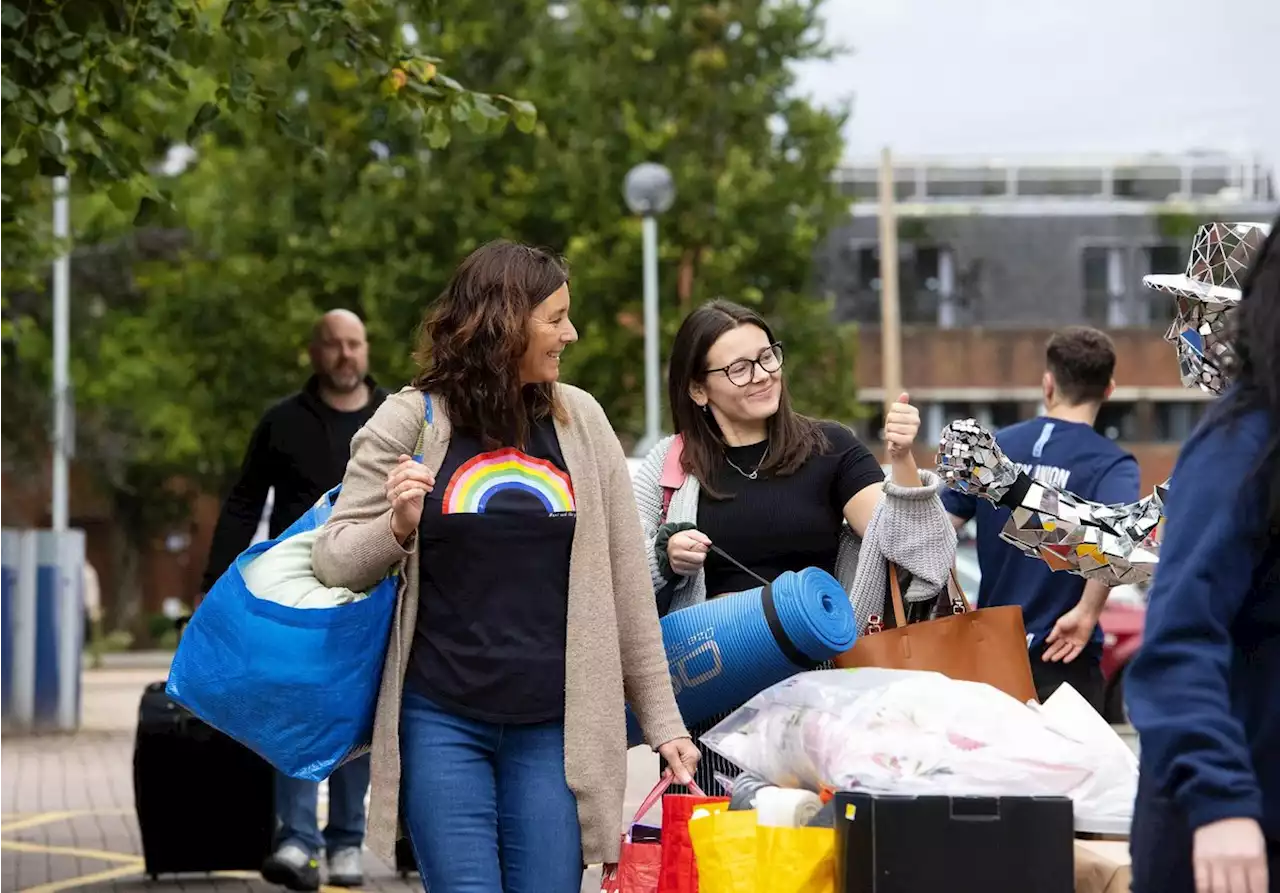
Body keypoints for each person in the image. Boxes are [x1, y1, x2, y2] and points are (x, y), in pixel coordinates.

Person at [309, 240, 698, 893]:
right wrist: (397, 524)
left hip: (554, 730)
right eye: (556, 317)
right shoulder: (413, 418)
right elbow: (334, 556)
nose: (569, 333)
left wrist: (665, 725)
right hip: (442, 720)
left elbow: (629, 589)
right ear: (504, 320)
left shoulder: (583, 422)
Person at [632, 298, 957, 795]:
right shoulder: (671, 465)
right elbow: (626, 579)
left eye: (767, 357)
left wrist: (902, 463)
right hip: (710, 689)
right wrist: (667, 558)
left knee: (810, 851)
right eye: (738, 368)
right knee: (714, 855)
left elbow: (910, 549)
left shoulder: (830, 447)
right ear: (699, 389)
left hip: (818, 693)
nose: (762, 375)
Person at [200, 309, 385, 891]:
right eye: (334, 345)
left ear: (367, 349)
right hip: (294, 593)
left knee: (355, 718)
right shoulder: (281, 421)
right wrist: (214, 582)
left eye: (354, 344)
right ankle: (297, 841)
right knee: (294, 711)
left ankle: (347, 843)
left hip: (372, 586)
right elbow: (243, 502)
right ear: (315, 352)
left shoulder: (394, 417)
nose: (345, 356)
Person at [1126, 215, 1280, 893]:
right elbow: (1175, 613)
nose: (1176, 332)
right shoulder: (1238, 444)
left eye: (1191, 309)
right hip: (1229, 826)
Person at [941, 327, 1141, 713]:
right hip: (1064, 654)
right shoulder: (1110, 463)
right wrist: (1086, 614)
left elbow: (937, 526)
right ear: (1109, 390)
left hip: (993, 654)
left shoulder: (996, 448)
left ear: (1048, 384)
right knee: (1070, 772)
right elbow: (1121, 541)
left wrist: (955, 598)